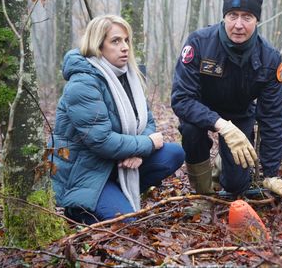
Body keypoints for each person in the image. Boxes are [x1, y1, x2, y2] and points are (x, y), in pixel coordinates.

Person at [50, 15, 185, 224]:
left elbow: (147, 122)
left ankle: (119, 193)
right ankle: (80, 208)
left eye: (126, 40)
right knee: (128, 225)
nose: (124, 47)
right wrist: (145, 144)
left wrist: (139, 151)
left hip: (116, 164)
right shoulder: (83, 82)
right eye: (115, 41)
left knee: (174, 153)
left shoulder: (128, 76)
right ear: (98, 45)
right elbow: (101, 141)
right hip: (86, 173)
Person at [171, 0, 282, 202]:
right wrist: (222, 126)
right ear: (224, 17)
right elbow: (181, 99)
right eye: (232, 15)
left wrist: (271, 173)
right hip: (200, 112)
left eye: (247, 17)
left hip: (240, 113)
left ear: (257, 21)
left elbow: (271, 117)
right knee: (190, 130)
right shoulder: (199, 44)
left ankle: (222, 165)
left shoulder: (270, 59)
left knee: (237, 186)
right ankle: (202, 195)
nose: (238, 25)